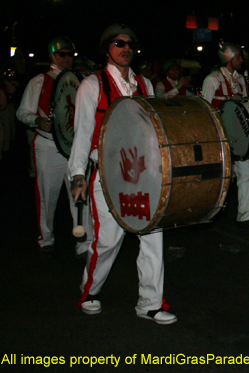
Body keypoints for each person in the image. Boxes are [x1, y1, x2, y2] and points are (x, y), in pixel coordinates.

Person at [68, 24, 177, 325]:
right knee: (107, 241)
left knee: (153, 237)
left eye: (130, 44)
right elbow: (82, 134)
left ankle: (151, 303)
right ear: (107, 49)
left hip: (143, 175)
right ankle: (90, 291)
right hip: (107, 174)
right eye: (119, 43)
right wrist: (78, 174)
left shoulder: (145, 84)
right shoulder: (92, 85)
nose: (125, 48)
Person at [16, 36, 90, 256]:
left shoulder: (81, 81)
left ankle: (83, 241)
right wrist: (37, 120)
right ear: (52, 56)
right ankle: (46, 238)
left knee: (79, 196)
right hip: (48, 146)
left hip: (74, 147)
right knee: (47, 195)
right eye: (62, 55)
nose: (67, 59)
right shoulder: (39, 81)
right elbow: (23, 112)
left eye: (70, 55)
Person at [202, 41, 249, 229]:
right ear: (228, 58)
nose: (241, 60)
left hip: (239, 136)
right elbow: (205, 109)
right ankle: (208, 212)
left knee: (247, 174)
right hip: (221, 136)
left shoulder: (241, 80)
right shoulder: (212, 80)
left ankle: (245, 216)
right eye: (238, 57)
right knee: (220, 175)